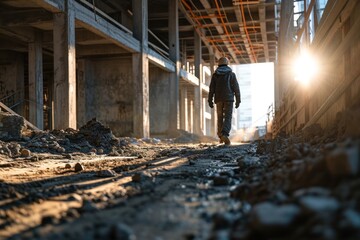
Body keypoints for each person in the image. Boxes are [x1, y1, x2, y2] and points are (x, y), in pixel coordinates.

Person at [208, 56, 241, 145]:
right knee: (228, 117)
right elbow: (236, 88)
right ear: (227, 64)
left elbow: (212, 89)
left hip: (218, 99)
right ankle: (225, 134)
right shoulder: (231, 74)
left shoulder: (215, 75)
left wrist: (210, 100)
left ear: (219, 64)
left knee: (219, 117)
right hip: (229, 99)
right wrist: (238, 100)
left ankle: (220, 135)